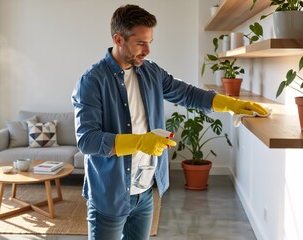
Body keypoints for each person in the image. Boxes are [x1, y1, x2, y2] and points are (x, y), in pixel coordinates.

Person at [71, 4, 268, 240]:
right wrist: (140, 142)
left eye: (150, 42)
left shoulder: (150, 72)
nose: (148, 51)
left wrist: (230, 104)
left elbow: (188, 94)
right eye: (141, 43)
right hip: (109, 194)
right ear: (118, 39)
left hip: (145, 193)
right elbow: (87, 141)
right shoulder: (92, 81)